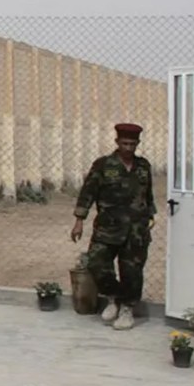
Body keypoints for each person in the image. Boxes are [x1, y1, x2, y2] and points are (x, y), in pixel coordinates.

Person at [70, 121, 156, 330]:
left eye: (132, 144)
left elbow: (148, 194)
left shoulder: (143, 166)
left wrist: (151, 215)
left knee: (132, 271)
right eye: (125, 143)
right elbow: (88, 192)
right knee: (96, 262)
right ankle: (114, 297)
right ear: (117, 142)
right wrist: (79, 220)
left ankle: (127, 309)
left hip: (136, 230)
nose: (128, 148)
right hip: (108, 227)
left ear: (137, 144)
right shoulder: (103, 165)